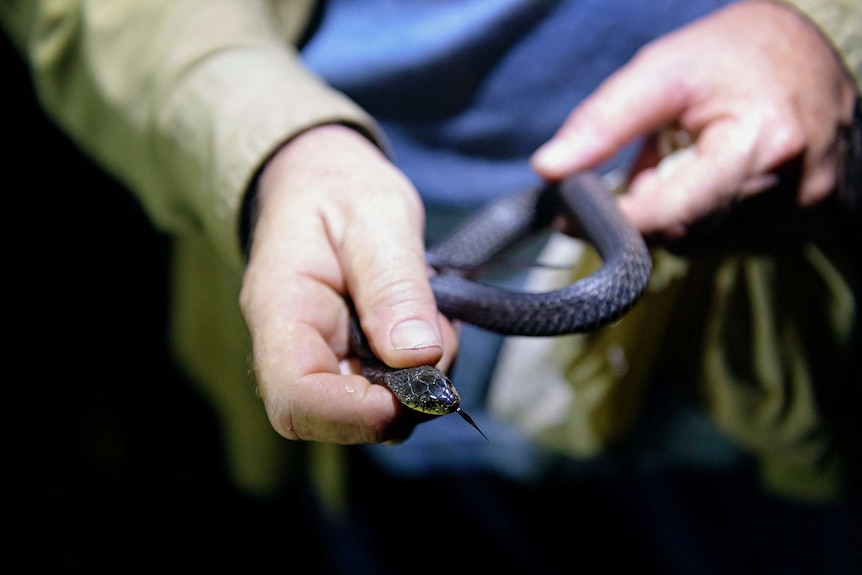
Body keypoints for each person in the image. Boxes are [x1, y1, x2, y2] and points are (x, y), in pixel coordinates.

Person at [2, 0, 859, 572]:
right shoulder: (387, 357)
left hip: (747, 377)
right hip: (370, 430)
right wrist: (272, 151)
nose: (426, 377)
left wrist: (828, 39)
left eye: (424, 380)